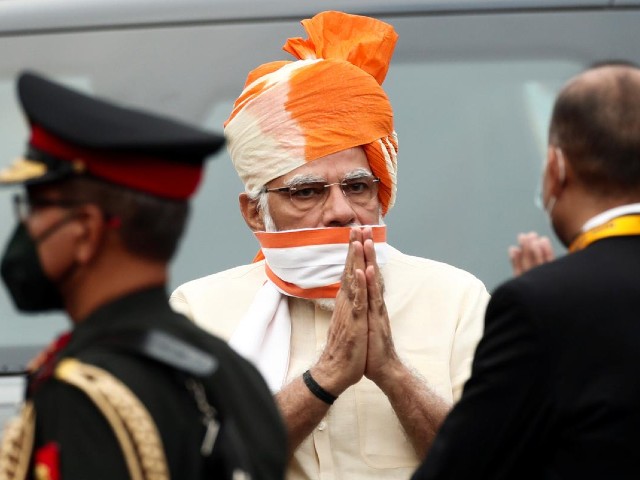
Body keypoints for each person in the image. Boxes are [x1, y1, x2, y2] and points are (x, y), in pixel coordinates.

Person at [169, 10, 490, 480]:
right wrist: (326, 377)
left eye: (358, 187)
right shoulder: (200, 310)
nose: (341, 210)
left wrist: (393, 374)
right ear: (253, 211)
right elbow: (197, 467)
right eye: (307, 191)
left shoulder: (455, 298)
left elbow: (492, 463)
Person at [0, 71, 286, 480]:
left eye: (36, 208)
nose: (26, 229)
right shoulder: (235, 375)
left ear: (86, 229)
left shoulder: (91, 394)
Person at [411, 61, 640, 480]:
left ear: (557, 168)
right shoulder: (551, 302)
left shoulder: (542, 307)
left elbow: (463, 470)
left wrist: (546, 306)